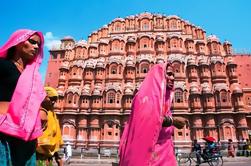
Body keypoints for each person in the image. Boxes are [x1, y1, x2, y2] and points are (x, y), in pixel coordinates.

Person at [119, 63, 186, 166]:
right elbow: (146, 119)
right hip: (150, 154)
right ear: (158, 76)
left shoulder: (165, 100)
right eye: (168, 74)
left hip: (166, 152)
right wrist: (172, 121)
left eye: (173, 75)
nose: (172, 78)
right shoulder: (144, 97)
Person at [0, 29, 45, 165]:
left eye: (38, 44)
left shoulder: (32, 75)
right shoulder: (3, 65)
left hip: (27, 135)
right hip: (3, 131)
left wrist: (43, 111)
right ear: (18, 42)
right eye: (32, 42)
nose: (36, 47)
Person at [36, 87, 64, 166]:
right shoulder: (36, 111)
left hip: (48, 158)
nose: (53, 102)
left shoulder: (52, 114)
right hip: (36, 155)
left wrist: (57, 156)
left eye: (55, 99)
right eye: (51, 98)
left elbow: (53, 137)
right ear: (43, 96)